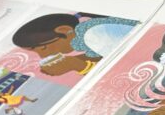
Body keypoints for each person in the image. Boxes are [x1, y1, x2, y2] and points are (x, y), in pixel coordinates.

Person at [11, 13, 139, 77]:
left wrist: (79, 66)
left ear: (64, 30)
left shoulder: (93, 33)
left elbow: (125, 69)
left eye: (43, 48)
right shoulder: (84, 33)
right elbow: (101, 54)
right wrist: (72, 62)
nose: (42, 55)